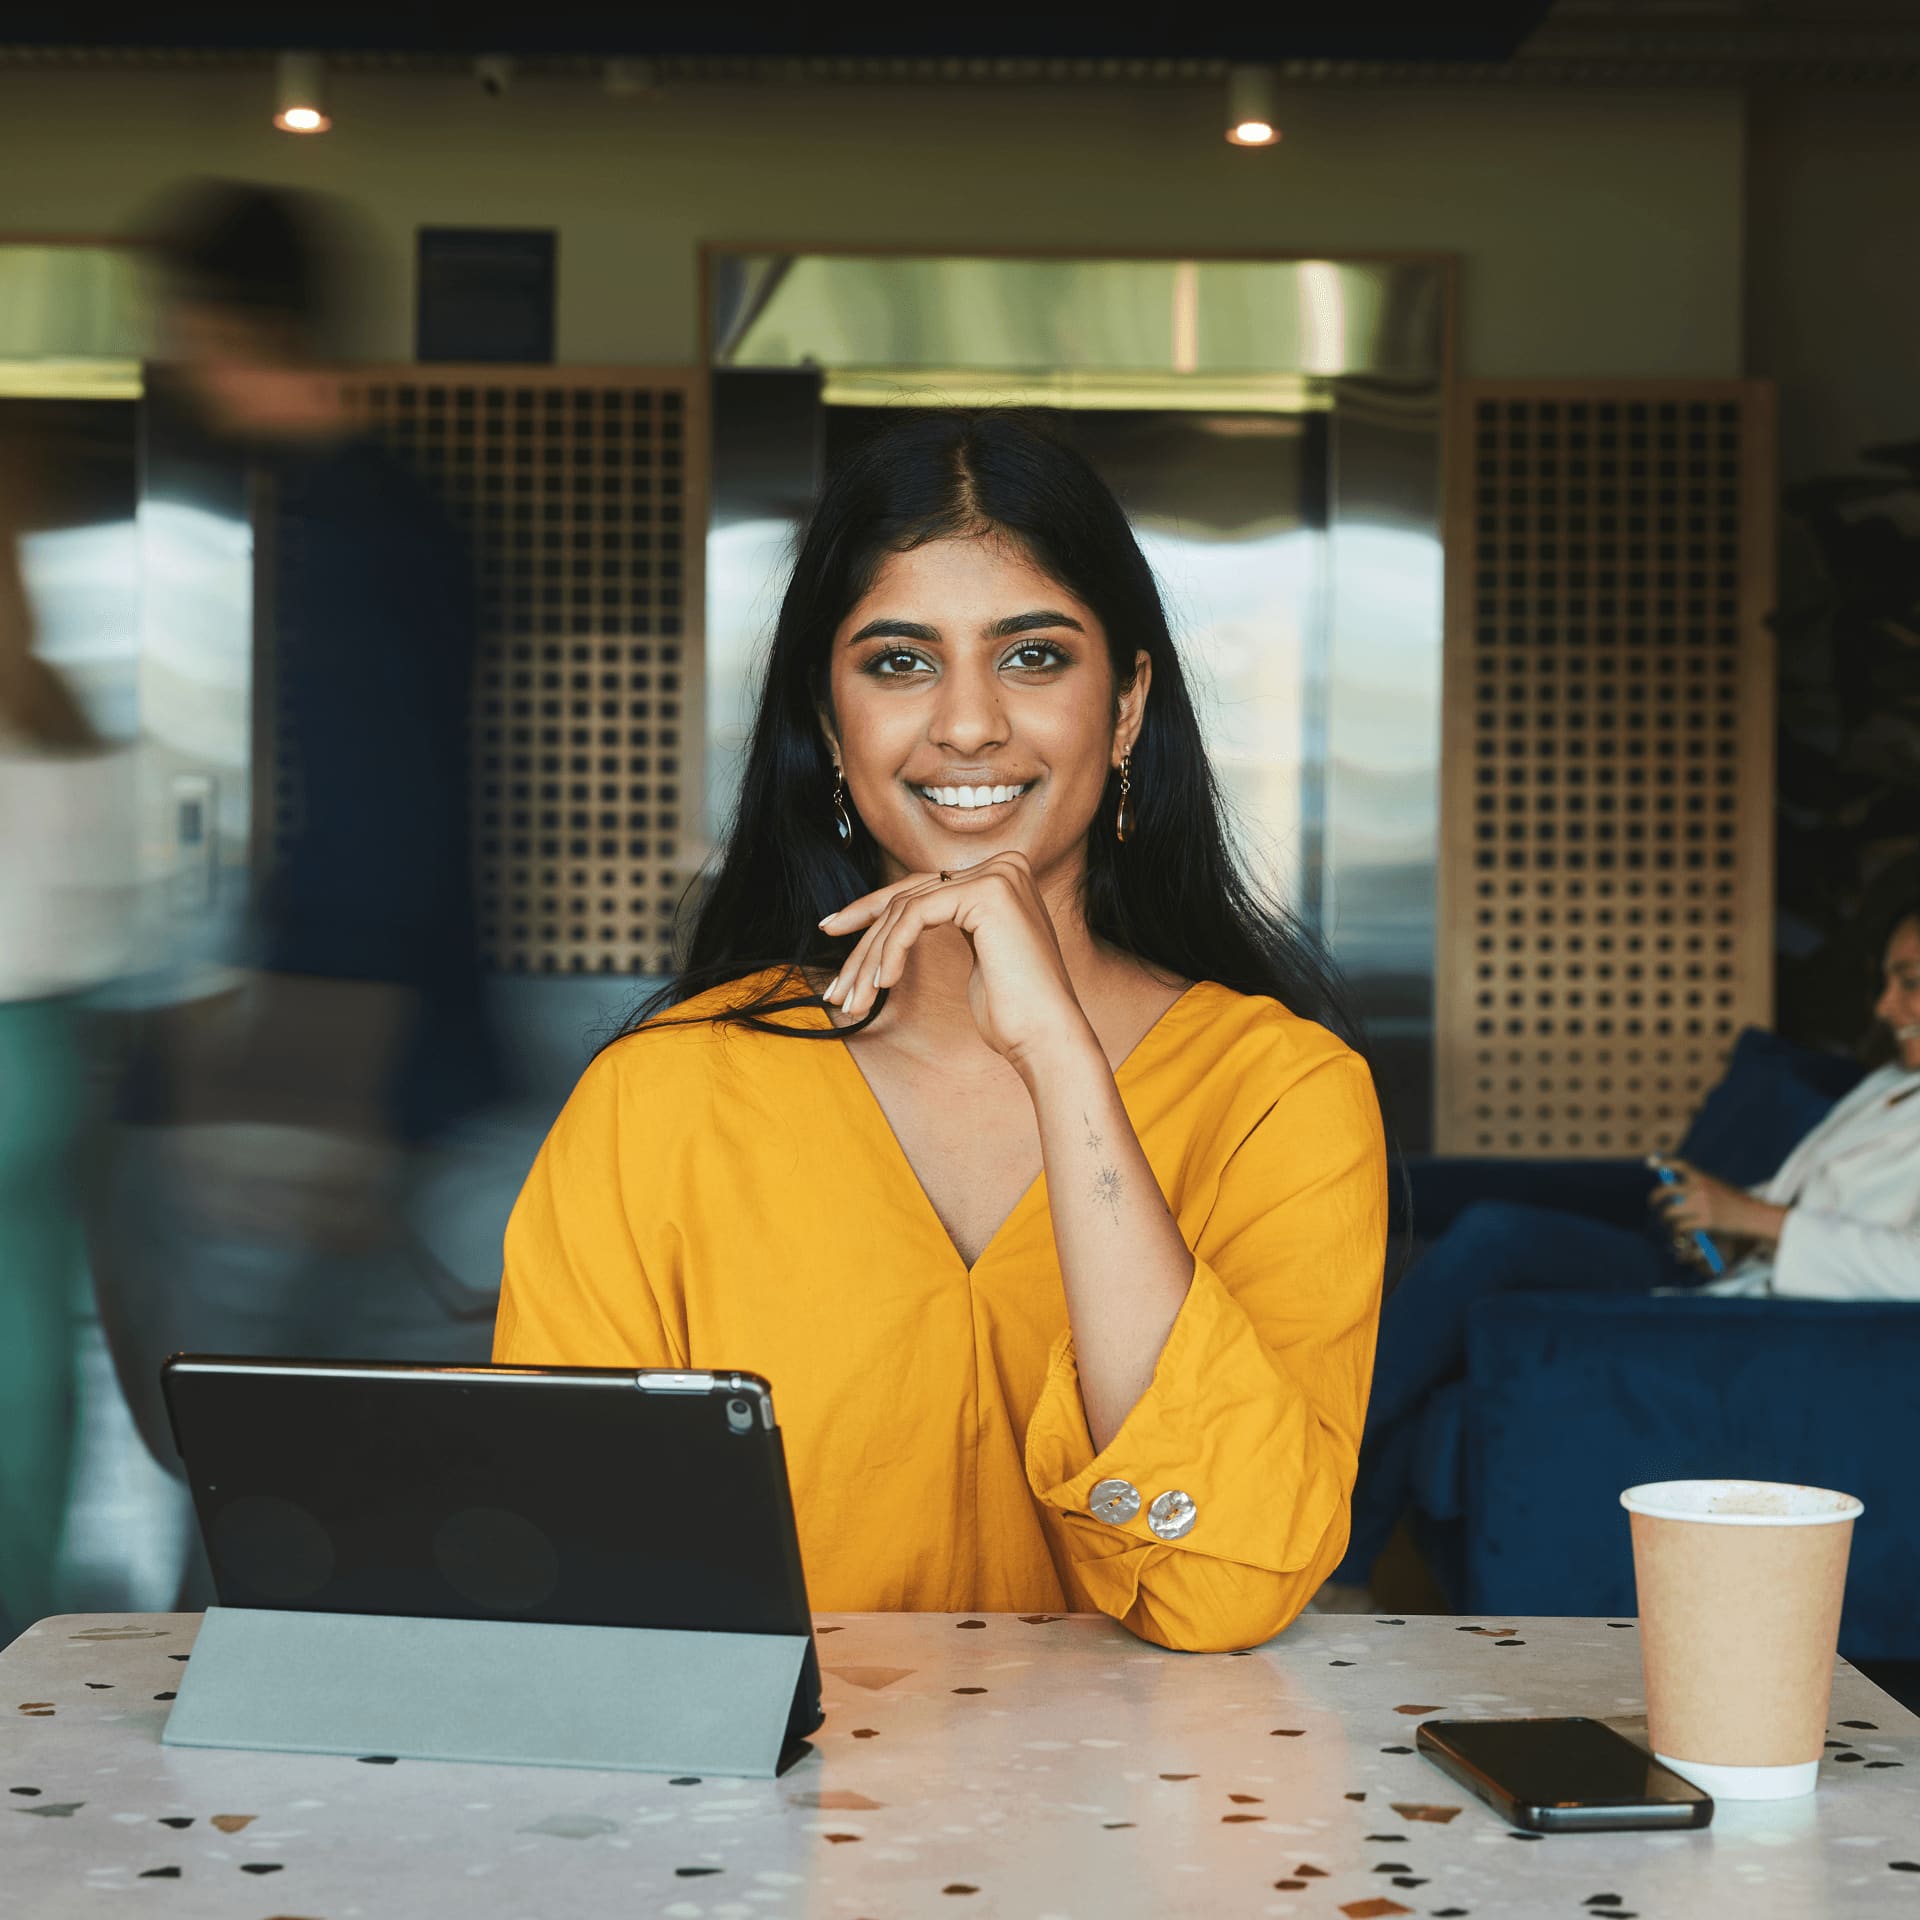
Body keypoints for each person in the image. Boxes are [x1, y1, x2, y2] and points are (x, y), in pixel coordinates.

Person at [496, 411, 1388, 1653]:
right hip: (770, 1825)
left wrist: (1064, 1062)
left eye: (1032, 658)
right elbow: (567, 1580)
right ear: (827, 719)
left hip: (1156, 1824)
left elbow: (1226, 1586)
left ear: (1127, 709)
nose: (968, 725)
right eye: (901, 662)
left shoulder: (1283, 1092)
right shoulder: (661, 1100)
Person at [90, 180, 501, 1485]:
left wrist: (282, 1060)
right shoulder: (401, 513)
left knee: (266, 1464)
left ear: (222, 322)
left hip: (332, 1064)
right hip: (402, 1059)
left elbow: (375, 827)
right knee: (332, 1459)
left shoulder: (340, 532)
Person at [1323, 894, 1920, 1607]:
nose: (1886, 1006)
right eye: (1888, 980)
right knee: (1481, 1262)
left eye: (1908, 980)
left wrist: (1754, 1217)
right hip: (1716, 1275)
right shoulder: (1890, 1084)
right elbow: (1787, 1200)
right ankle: (1345, 1567)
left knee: (1495, 1236)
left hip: (1764, 1327)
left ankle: (1330, 1426)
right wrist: (1714, 1214)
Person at [0, 434, 134, 1637]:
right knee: (24, 1341)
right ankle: (14, 1611)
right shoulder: (50, 694)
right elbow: (108, 917)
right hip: (36, 1051)